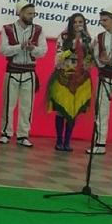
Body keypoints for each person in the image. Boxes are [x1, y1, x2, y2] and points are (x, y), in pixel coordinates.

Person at [0, 0, 47, 147]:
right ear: (20, 13)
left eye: (33, 13)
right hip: (12, 70)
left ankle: (23, 135)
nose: (32, 16)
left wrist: (33, 49)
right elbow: (3, 50)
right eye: (29, 13)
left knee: (27, 106)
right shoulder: (7, 29)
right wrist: (20, 47)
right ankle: (6, 133)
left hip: (29, 72)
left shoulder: (38, 30)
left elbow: (43, 51)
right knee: (8, 104)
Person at [47, 13, 93, 153]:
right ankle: (59, 140)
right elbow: (59, 58)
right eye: (75, 22)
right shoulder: (64, 36)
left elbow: (89, 60)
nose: (78, 25)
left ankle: (67, 141)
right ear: (71, 24)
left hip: (80, 78)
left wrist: (89, 55)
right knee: (62, 110)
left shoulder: (87, 38)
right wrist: (72, 48)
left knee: (74, 111)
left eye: (81, 22)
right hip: (64, 75)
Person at [91, 5, 112, 157]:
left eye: (105, 20)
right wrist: (101, 61)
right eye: (101, 20)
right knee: (100, 112)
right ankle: (100, 144)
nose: (102, 23)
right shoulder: (99, 37)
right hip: (104, 77)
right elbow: (96, 58)